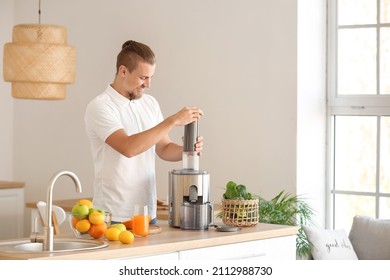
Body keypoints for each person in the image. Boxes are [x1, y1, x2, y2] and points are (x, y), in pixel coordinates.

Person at [84, 40, 203, 223]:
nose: (148, 84)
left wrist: (188, 150)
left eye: (151, 77)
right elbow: (128, 148)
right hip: (112, 216)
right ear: (123, 71)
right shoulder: (100, 106)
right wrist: (173, 120)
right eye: (143, 78)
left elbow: (163, 148)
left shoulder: (150, 103)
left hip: (147, 215)